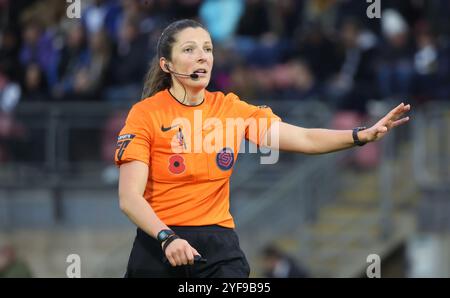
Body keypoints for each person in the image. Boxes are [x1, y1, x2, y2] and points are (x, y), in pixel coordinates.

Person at [115, 19, 411, 278]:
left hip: (218, 247)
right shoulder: (146, 115)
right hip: (159, 243)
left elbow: (305, 139)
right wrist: (167, 238)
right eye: (189, 50)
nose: (202, 57)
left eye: (207, 49)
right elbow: (130, 197)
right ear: (167, 65)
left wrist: (361, 135)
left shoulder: (230, 108)